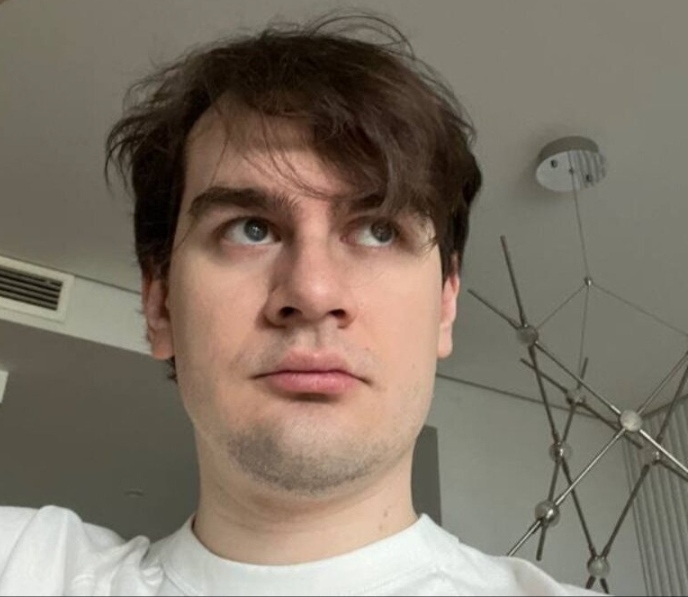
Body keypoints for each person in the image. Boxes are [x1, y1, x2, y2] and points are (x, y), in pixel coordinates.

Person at [0, 13, 597, 597]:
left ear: (446, 305)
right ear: (160, 305)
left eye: (379, 231)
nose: (313, 293)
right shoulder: (26, 566)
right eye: (251, 229)